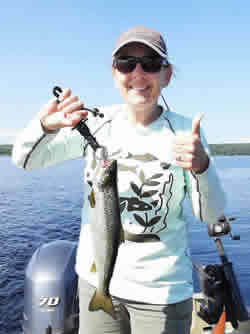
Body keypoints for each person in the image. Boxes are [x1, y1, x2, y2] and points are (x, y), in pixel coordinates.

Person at [12, 26, 226, 334]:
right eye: (126, 63)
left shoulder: (185, 133)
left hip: (162, 293)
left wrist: (202, 167)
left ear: (166, 75)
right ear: (114, 73)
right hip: (96, 283)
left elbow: (209, 213)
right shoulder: (94, 123)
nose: (138, 73)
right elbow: (24, 159)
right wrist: (45, 126)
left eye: (150, 63)